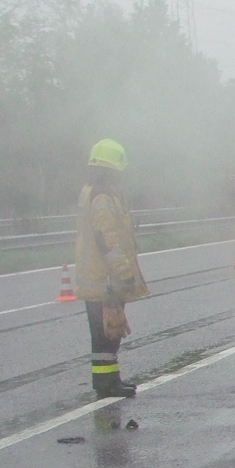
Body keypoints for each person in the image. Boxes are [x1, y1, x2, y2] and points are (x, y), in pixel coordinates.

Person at [74, 138, 148, 398]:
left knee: (106, 335)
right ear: (112, 170)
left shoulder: (94, 192)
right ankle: (107, 385)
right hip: (105, 280)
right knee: (107, 335)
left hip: (97, 278)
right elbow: (108, 240)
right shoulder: (103, 198)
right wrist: (123, 274)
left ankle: (108, 381)